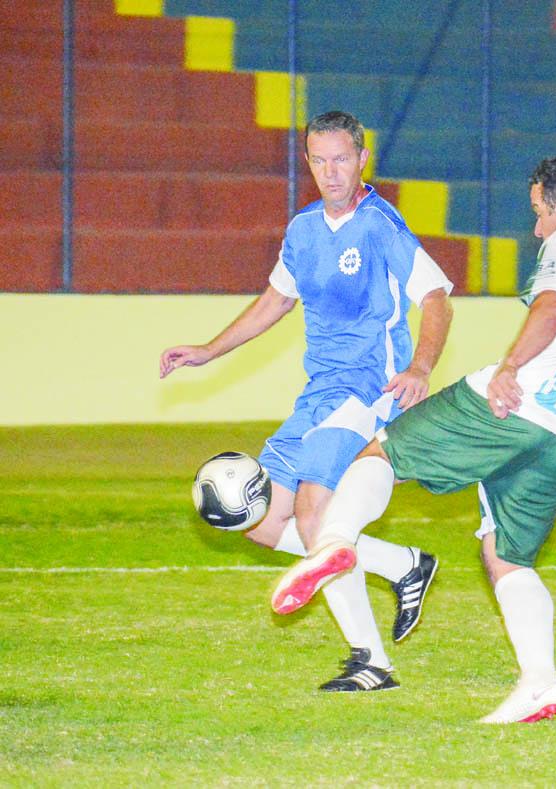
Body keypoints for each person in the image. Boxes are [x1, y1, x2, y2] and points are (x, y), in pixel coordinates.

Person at [268, 147, 556, 723]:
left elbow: (554, 307)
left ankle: (337, 539)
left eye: (539, 213)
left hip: (517, 404)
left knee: (381, 450)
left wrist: (511, 366)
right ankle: (541, 683)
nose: (537, 228)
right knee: (506, 556)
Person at [159, 110, 453, 692]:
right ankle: (403, 565)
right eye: (319, 160)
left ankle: (371, 662)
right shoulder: (303, 229)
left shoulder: (381, 226)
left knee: (319, 516)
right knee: (261, 522)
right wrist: (209, 350)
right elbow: (275, 301)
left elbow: (438, 297)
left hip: (369, 387)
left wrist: (420, 367)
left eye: (341, 158)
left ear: (362, 158)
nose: (330, 171)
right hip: (318, 393)